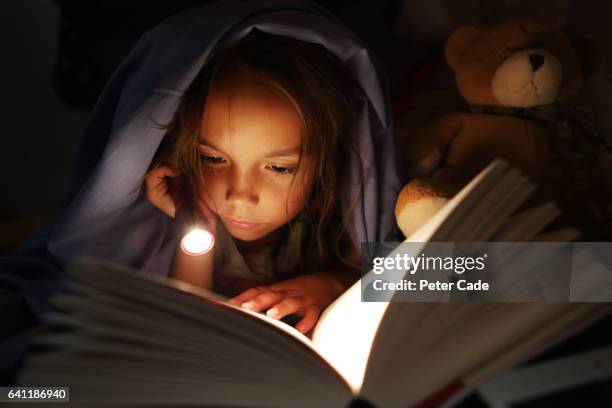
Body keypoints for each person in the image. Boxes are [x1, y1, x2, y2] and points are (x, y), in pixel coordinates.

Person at [0, 0, 401, 382]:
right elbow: (184, 314)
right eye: (212, 159)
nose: (239, 195)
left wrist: (334, 283)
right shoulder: (168, 217)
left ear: (329, 163)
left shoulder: (344, 212)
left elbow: (459, 278)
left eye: (279, 168)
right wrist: (196, 222)